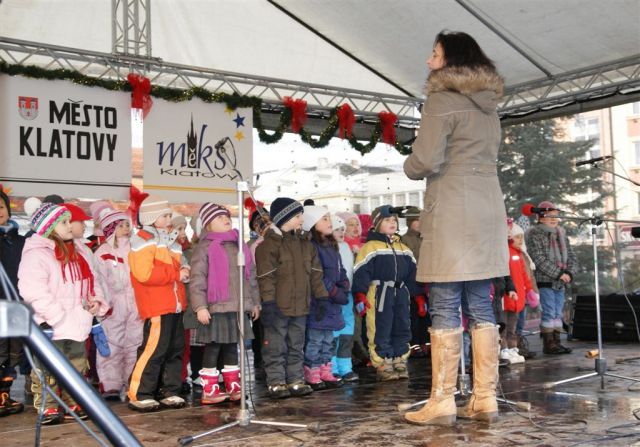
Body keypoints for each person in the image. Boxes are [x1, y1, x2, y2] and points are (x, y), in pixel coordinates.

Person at [403, 31, 509, 425]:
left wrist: (408, 162)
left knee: (445, 300)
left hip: (452, 206)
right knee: (480, 301)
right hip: (486, 205)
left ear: (450, 61)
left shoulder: (441, 100)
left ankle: (442, 400)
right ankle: (484, 398)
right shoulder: (489, 105)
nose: (429, 61)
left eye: (434, 54)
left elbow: (426, 160)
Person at [18, 202, 109, 425]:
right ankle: (47, 406)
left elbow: (90, 281)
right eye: (64, 222)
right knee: (47, 367)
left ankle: (73, 401)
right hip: (49, 324)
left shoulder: (78, 251)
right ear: (49, 227)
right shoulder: (37, 255)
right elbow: (33, 290)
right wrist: (56, 316)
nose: (71, 226)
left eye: (70, 221)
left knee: (77, 364)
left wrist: (94, 302)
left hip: (77, 321)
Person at [255, 197, 327, 399]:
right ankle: (276, 381)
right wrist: (268, 302)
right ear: (284, 218)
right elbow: (265, 277)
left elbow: (315, 272)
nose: (301, 219)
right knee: (276, 345)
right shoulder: (268, 246)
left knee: (297, 344)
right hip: (278, 306)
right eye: (297, 216)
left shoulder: (306, 244)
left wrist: (321, 297)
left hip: (301, 305)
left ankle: (295, 379)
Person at [189, 203, 260, 404]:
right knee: (213, 347)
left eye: (226, 216)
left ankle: (232, 384)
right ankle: (210, 388)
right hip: (215, 307)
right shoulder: (205, 247)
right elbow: (197, 279)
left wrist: (254, 302)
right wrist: (200, 306)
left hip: (237, 306)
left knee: (232, 346)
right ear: (208, 225)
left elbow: (250, 276)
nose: (225, 219)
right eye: (219, 218)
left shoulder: (239, 245)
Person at [127, 196, 190, 412]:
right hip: (157, 305)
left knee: (175, 349)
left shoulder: (168, 240)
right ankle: (140, 393)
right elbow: (144, 273)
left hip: (174, 304)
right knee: (154, 349)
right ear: (152, 218)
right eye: (165, 215)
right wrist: (176, 273)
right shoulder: (143, 239)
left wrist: (185, 270)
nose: (169, 219)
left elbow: (181, 263)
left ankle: (170, 390)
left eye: (169, 215)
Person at [352, 205, 424, 382]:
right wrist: (360, 294)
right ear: (377, 224)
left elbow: (412, 274)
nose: (392, 223)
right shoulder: (370, 247)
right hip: (379, 293)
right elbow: (361, 272)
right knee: (380, 328)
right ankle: (383, 361)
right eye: (387, 220)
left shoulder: (403, 248)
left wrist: (419, 296)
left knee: (401, 325)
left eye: (394, 220)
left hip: (400, 293)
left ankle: (399, 358)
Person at [94, 207, 143, 399]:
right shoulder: (102, 252)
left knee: (134, 344)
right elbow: (99, 280)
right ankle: (110, 384)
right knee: (112, 345)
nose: (126, 228)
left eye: (127, 225)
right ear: (110, 228)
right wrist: (105, 305)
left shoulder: (136, 249)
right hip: (114, 306)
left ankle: (133, 381)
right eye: (121, 225)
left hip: (136, 303)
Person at [302, 206, 348, 390]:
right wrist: (334, 292)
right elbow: (317, 274)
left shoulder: (332, 245)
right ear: (312, 224)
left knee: (328, 339)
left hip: (332, 302)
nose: (329, 222)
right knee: (315, 340)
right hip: (320, 301)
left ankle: (325, 369)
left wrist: (344, 284)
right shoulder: (312, 247)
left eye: (329, 217)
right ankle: (311, 370)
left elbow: (340, 269)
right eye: (324, 219)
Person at [526, 201, 576, 355]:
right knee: (549, 312)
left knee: (558, 312)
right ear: (540, 217)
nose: (554, 219)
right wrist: (559, 273)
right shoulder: (534, 234)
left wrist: (569, 272)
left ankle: (557, 342)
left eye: (556, 216)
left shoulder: (561, 233)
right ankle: (549, 344)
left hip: (561, 281)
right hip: (545, 280)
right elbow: (539, 259)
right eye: (550, 216)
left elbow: (571, 255)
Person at [0, 187, 26, 416]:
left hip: (16, 304)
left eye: (1, 206)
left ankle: (4, 394)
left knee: (13, 353)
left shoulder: (19, 240)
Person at [330, 214, 359, 382]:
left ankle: (345, 367)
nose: (341, 232)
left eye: (342, 229)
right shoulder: (327, 248)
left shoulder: (346, 247)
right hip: (334, 295)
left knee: (347, 332)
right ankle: (332, 368)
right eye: (337, 229)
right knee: (334, 333)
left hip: (347, 294)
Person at [401, 207, 430, 358]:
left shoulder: (427, 237)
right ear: (409, 222)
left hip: (427, 281)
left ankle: (426, 342)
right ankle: (414, 344)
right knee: (414, 315)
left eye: (420, 220)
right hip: (413, 282)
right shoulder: (405, 239)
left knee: (426, 315)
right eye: (415, 221)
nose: (419, 223)